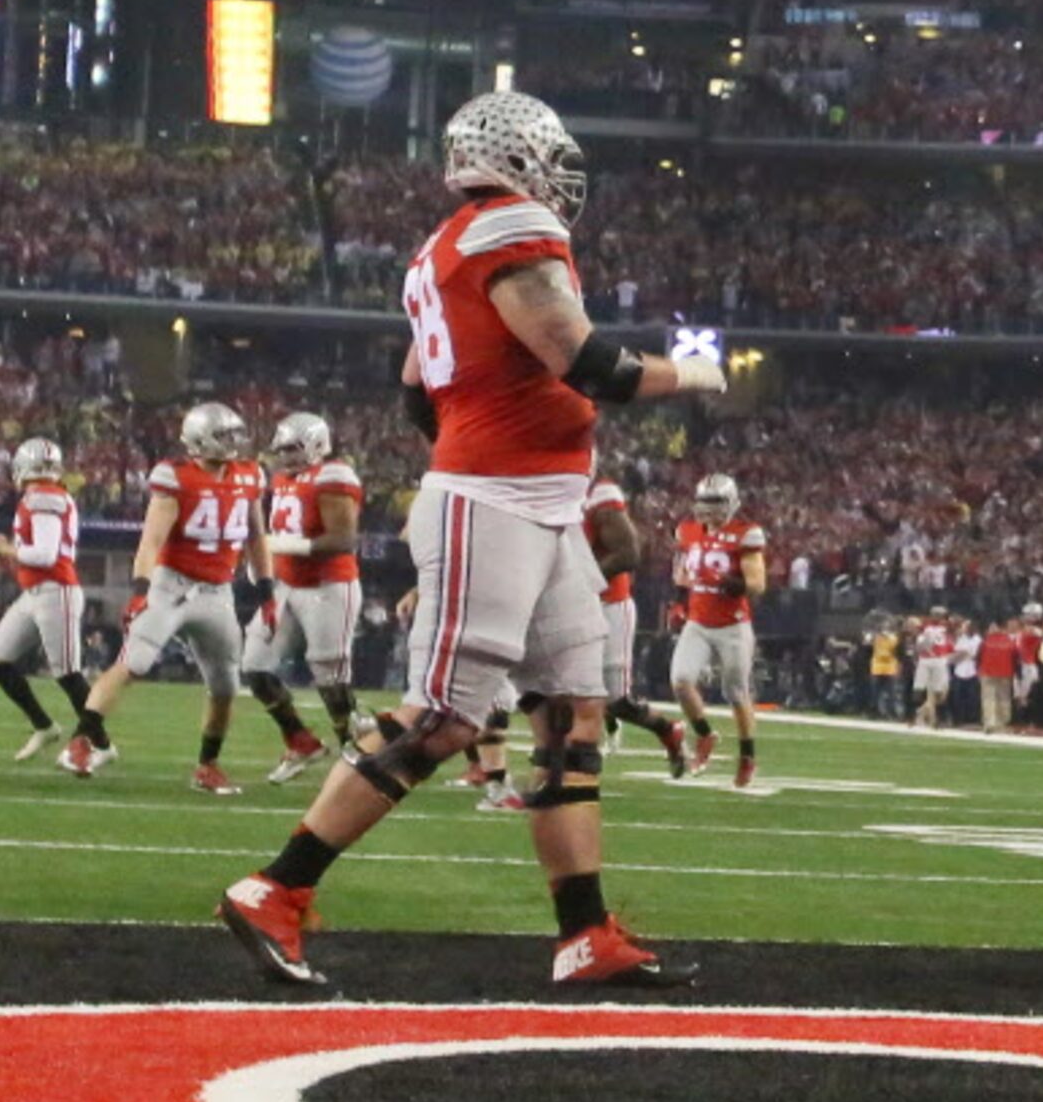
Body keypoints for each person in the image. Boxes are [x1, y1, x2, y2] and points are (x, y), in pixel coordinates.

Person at [217, 89, 722, 988]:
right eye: (552, 154)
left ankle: (583, 933)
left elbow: (416, 385)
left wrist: (482, 435)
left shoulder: (447, 246)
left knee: (572, 712)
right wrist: (691, 371)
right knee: (447, 716)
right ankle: (277, 888)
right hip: (495, 501)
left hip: (537, 502)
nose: (562, 174)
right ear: (519, 156)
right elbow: (589, 362)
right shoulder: (509, 227)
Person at [61, 402, 268, 794]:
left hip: (218, 592)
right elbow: (152, 539)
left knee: (225, 687)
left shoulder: (250, 475)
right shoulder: (177, 477)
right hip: (172, 585)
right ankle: (81, 742)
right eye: (224, 435)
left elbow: (257, 537)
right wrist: (140, 592)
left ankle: (207, 767)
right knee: (133, 662)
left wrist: (267, 591)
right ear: (199, 439)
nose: (234, 442)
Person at [242, 411, 361, 784]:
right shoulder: (281, 478)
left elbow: (343, 540)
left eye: (294, 449)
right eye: (283, 450)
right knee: (256, 668)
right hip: (287, 586)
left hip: (329, 586)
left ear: (316, 444)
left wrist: (282, 544)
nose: (287, 457)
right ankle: (301, 741)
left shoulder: (334, 474)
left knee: (330, 674)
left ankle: (354, 753)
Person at [0, 436, 92, 761]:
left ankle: (98, 742)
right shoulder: (43, 495)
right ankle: (44, 726)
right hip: (35, 592)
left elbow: (44, 554)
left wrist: (3, 549)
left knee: (68, 674)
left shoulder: (43, 497)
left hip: (56, 589)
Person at [584, 472, 687, 775]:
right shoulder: (551, 493)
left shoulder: (599, 493)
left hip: (608, 605)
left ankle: (668, 730)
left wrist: (581, 583)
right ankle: (566, 760)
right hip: (573, 606)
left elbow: (628, 552)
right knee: (563, 687)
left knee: (616, 700)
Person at [671, 472, 767, 786]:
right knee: (680, 681)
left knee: (736, 693)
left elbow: (757, 584)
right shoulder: (687, 531)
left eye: (715, 502)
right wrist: (680, 593)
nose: (708, 509)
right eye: (704, 502)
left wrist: (725, 581)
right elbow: (682, 573)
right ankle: (704, 735)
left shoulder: (745, 533)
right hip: (698, 621)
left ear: (731, 503)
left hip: (732, 625)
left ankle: (747, 756)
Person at [975, 617, 1021, 733]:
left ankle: (990, 722)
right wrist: (1016, 673)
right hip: (1005, 673)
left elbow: (978, 657)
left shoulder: (986, 641)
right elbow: (1016, 659)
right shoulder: (1010, 642)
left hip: (987, 672)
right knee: (1004, 698)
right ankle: (1003, 721)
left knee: (988, 698)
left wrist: (978, 670)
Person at [911, 611, 955, 727]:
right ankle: (915, 715)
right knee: (918, 688)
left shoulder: (946, 628)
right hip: (926, 659)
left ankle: (935, 718)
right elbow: (919, 644)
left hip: (939, 659)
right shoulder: (926, 627)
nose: (937, 617)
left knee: (939, 691)